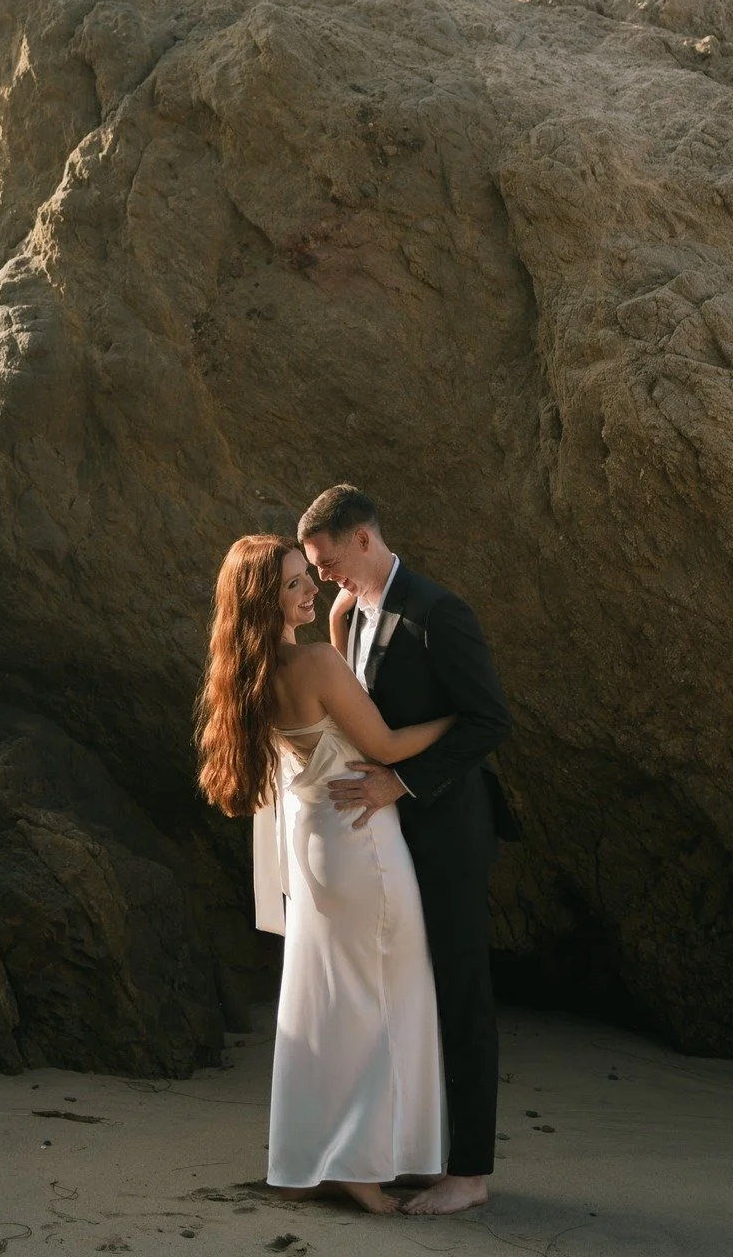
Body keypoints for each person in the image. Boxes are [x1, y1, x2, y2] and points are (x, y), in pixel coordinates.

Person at [195, 533, 455, 1215]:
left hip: (315, 848)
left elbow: (325, 721)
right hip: (362, 842)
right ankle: (362, 1165)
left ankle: (323, 1155)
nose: (311, 588)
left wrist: (337, 623)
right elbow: (387, 745)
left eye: (307, 576)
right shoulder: (314, 665)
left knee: (327, 1001)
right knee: (381, 995)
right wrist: (461, 718)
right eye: (293, 584)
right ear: (266, 603)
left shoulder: (255, 672)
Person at [299, 485, 513, 1217]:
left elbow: (489, 720)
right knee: (408, 995)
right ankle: (416, 1153)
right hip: (389, 843)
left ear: (361, 538)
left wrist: (402, 781)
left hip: (449, 830)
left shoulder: (437, 612)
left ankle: (471, 1172)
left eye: (326, 561)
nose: (322, 574)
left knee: (461, 993)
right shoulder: (348, 612)